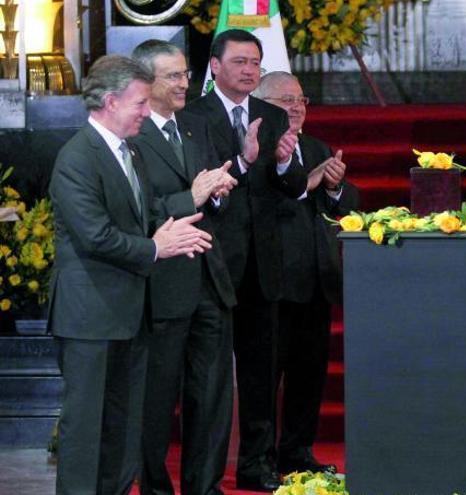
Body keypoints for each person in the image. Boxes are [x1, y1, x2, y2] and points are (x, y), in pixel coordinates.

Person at [50, 54, 213, 495]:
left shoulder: (129, 152)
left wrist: (182, 210)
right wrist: (158, 247)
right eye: (140, 103)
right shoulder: (77, 157)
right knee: (87, 430)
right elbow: (97, 236)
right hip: (90, 319)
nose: (147, 110)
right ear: (109, 101)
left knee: (124, 429)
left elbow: (144, 215)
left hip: (131, 314)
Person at [184, 29, 313, 492]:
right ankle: (207, 475)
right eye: (239, 61)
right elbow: (200, 191)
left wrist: (281, 163)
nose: (248, 70)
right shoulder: (193, 117)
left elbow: (297, 187)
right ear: (214, 67)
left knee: (262, 375)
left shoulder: (272, 115)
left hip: (265, 264)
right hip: (214, 264)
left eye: (255, 63)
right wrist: (242, 160)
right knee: (213, 380)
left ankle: (258, 466)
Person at [130, 40, 239, 495]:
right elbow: (135, 210)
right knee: (156, 402)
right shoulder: (131, 136)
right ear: (146, 82)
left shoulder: (196, 126)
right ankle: (156, 488)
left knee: (211, 397)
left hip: (209, 282)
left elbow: (208, 190)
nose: (184, 83)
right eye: (173, 76)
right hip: (161, 288)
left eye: (185, 74)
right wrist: (190, 197)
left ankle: (204, 487)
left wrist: (216, 190)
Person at [253, 71, 360, 474]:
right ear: (262, 106)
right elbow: (264, 206)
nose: (297, 108)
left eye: (301, 100)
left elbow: (346, 204)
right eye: (286, 101)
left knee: (308, 376)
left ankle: (297, 453)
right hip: (272, 283)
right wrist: (304, 182)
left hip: (317, 283)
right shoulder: (256, 151)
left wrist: (333, 187)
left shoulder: (316, 147)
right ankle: (259, 459)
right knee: (266, 378)